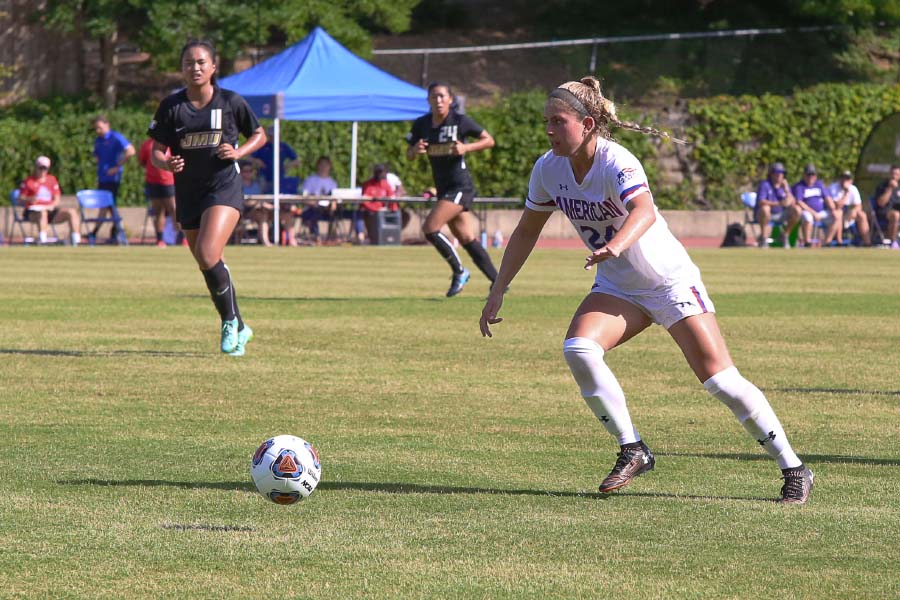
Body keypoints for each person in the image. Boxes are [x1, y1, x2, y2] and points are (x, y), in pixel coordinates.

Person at [479, 76, 814, 504]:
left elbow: (644, 211)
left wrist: (614, 244)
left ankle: (794, 468)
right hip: (619, 286)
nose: (549, 130)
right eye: (546, 121)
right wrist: (499, 287)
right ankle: (632, 448)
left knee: (720, 381)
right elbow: (526, 231)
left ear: (587, 123)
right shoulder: (548, 168)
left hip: (667, 280)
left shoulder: (617, 160)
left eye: (557, 122)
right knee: (579, 349)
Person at [148, 39, 267, 356]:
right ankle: (241, 325)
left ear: (214, 67)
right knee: (207, 261)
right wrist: (166, 162)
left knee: (207, 250)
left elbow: (259, 134)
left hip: (223, 186)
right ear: (182, 68)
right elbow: (156, 152)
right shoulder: (172, 107)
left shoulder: (230, 102)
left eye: (201, 62)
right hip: (188, 191)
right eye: (189, 62)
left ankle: (229, 322)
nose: (195, 67)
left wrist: (238, 151)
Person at [406, 81, 499, 297]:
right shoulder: (422, 124)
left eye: (442, 96)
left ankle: (459, 271)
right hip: (443, 188)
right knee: (466, 238)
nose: (438, 100)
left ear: (450, 99)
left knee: (430, 228)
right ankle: (498, 281)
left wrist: (466, 147)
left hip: (460, 186)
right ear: (428, 100)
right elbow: (409, 155)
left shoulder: (459, 121)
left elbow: (489, 140)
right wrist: (414, 150)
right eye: (433, 97)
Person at [18, 156, 81, 245]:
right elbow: (20, 198)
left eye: (45, 168)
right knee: (42, 213)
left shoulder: (52, 180)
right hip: (34, 212)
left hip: (50, 210)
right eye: (40, 168)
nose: (42, 171)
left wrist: (51, 206)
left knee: (72, 212)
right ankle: (43, 239)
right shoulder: (28, 181)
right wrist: (30, 199)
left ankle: (76, 240)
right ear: (36, 167)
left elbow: (56, 199)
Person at [92, 115, 135, 242]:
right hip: (102, 177)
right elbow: (98, 157)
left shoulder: (115, 137)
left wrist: (117, 167)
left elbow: (131, 151)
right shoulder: (98, 140)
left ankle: (105, 231)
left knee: (109, 204)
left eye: (100, 128)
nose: (98, 131)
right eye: (96, 128)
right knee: (106, 206)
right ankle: (116, 231)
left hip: (112, 178)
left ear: (107, 125)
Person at [138, 138, 177, 247]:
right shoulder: (147, 144)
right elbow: (142, 161)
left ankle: (181, 238)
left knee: (174, 209)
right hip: (153, 182)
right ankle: (160, 239)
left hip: (169, 181)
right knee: (158, 211)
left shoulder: (170, 143)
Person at [754, 162, 800, 247]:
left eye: (781, 173)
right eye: (776, 173)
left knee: (797, 210)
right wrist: (779, 203)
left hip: (781, 214)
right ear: (771, 174)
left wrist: (786, 190)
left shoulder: (784, 186)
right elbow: (761, 201)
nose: (779, 175)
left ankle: (785, 235)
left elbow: (793, 202)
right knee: (765, 209)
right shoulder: (765, 185)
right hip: (767, 214)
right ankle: (763, 238)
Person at [792, 163, 838, 246]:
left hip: (821, 212)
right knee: (808, 217)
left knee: (837, 216)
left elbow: (827, 198)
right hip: (807, 211)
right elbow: (799, 202)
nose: (811, 177)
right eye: (808, 174)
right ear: (804, 175)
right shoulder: (800, 186)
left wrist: (833, 209)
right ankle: (807, 242)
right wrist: (813, 213)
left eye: (813, 174)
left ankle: (827, 242)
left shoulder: (819, 184)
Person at [300, 156, 338, 244]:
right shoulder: (310, 180)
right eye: (321, 164)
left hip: (327, 209)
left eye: (326, 165)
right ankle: (316, 236)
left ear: (330, 166)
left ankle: (331, 237)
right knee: (314, 212)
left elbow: (335, 198)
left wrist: (333, 205)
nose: (323, 167)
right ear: (317, 166)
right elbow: (304, 197)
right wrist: (313, 202)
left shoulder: (332, 182)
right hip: (313, 208)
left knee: (340, 212)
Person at [250, 126, 300, 194]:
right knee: (262, 192)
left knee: (280, 193)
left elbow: (296, 161)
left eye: (275, 135)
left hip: (280, 176)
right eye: (271, 135)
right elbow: (250, 158)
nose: (273, 137)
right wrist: (258, 162)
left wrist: (287, 166)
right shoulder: (262, 146)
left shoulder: (283, 146)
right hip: (264, 176)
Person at [359, 163, 398, 243]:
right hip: (371, 211)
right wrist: (377, 209)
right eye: (379, 172)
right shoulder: (368, 185)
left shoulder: (386, 184)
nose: (381, 174)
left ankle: (390, 238)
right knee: (366, 215)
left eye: (382, 172)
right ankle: (370, 238)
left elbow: (392, 197)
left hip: (383, 211)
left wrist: (392, 209)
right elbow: (365, 202)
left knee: (397, 215)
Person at [831, 170, 870, 246]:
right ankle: (839, 241)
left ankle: (867, 243)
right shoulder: (834, 188)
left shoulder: (853, 188)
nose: (845, 181)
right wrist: (846, 192)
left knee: (862, 215)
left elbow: (859, 205)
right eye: (843, 178)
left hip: (847, 215)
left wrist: (854, 211)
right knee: (839, 213)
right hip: (835, 215)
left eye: (847, 179)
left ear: (851, 180)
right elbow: (837, 206)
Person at [240, 160, 273, 247]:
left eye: (250, 171)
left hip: (257, 209)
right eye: (245, 171)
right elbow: (243, 202)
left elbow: (260, 197)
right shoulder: (238, 185)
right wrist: (258, 203)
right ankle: (265, 241)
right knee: (264, 211)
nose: (248, 173)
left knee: (264, 215)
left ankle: (265, 241)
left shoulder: (256, 185)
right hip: (244, 211)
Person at [872, 165, 900, 248]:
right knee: (895, 215)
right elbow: (881, 203)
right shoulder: (882, 186)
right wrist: (890, 188)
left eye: (897, 174)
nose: (894, 176)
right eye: (893, 174)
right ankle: (893, 241)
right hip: (885, 212)